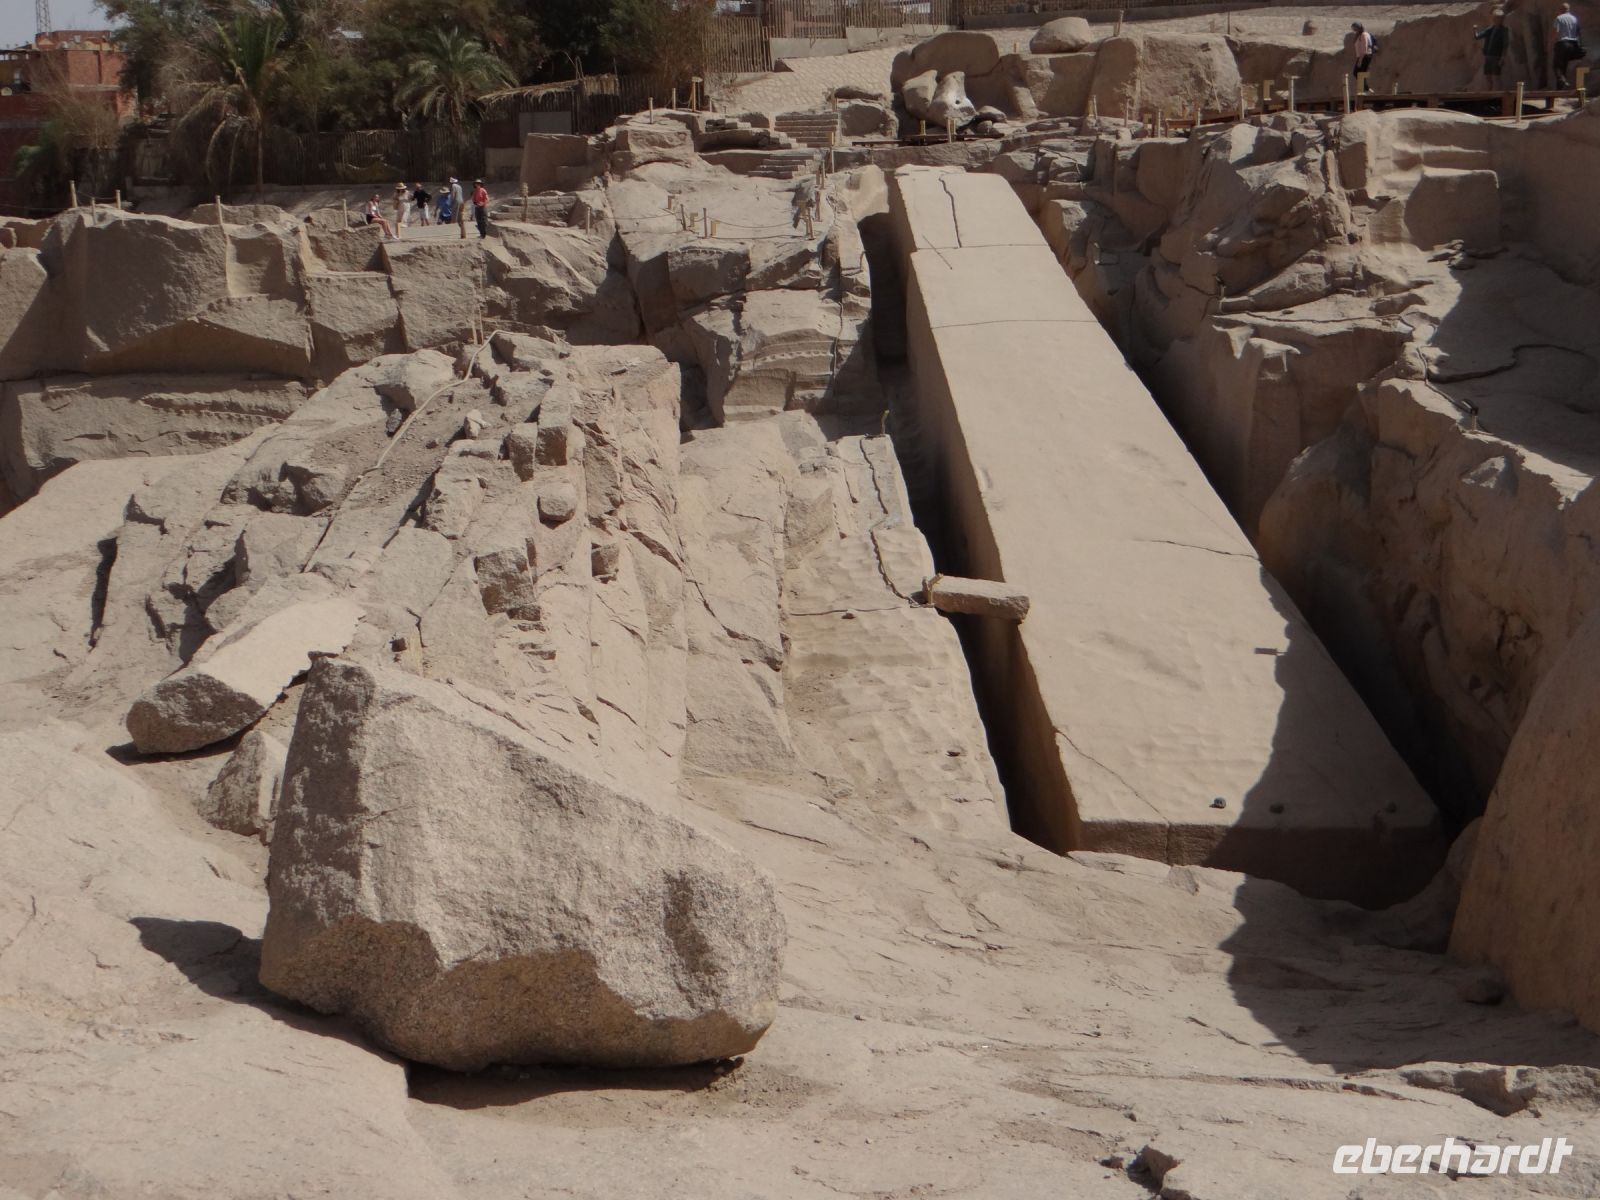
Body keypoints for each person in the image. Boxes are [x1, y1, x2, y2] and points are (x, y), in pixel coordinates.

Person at [1474, 10, 1511, 89]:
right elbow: (1478, 37)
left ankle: (1498, 93)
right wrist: (1475, 30)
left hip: (1496, 56)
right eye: (1494, 18)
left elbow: (1505, 45)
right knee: (1487, 76)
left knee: (1497, 77)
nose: (1494, 20)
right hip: (1488, 56)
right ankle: (1490, 93)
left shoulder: (1504, 30)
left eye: (1497, 18)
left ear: (1501, 19)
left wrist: (1502, 58)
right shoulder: (1490, 29)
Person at [1554, 3, 1585, 87]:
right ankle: (1560, 87)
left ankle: (1562, 80)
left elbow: (1556, 32)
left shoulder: (1559, 18)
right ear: (1568, 9)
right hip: (1573, 45)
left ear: (1561, 10)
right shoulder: (1574, 19)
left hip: (1562, 43)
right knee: (1563, 65)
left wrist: (1551, 43)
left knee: (1556, 65)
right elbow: (1578, 33)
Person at [1351, 22, 1375, 90]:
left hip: (1365, 56)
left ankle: (1365, 89)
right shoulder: (1359, 35)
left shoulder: (1363, 34)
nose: (1353, 30)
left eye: (1354, 28)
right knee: (1359, 73)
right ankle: (1366, 89)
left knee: (1359, 73)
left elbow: (1364, 48)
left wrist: (1360, 60)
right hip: (1362, 56)